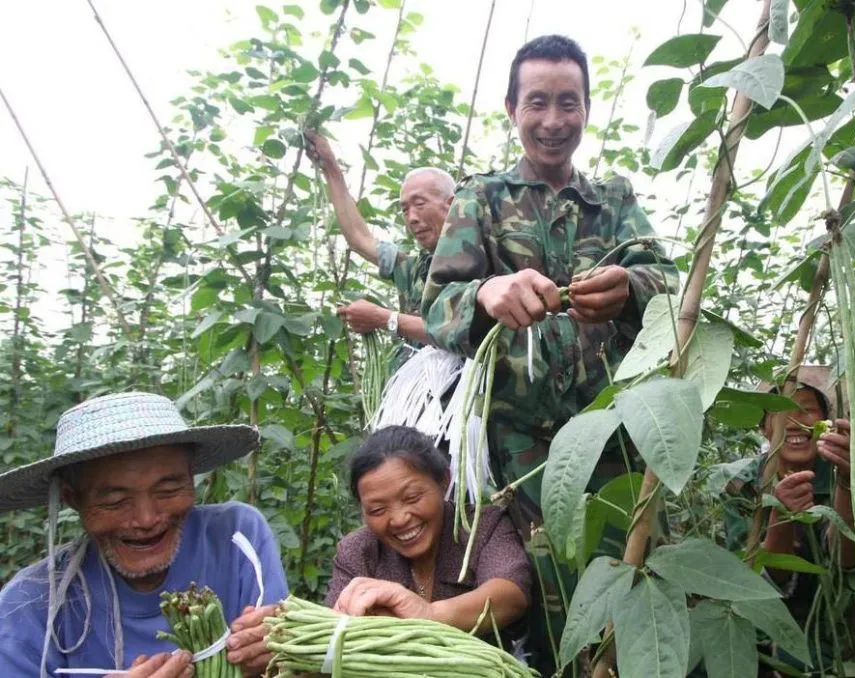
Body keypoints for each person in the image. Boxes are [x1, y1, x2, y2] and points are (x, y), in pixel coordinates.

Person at [419, 34, 678, 662]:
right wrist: (488, 291)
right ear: (512, 108)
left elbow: (671, 286)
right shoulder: (479, 199)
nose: (554, 121)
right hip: (518, 453)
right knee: (538, 601)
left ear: (587, 108)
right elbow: (435, 307)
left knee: (637, 590)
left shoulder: (612, 203)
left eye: (570, 103)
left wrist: (630, 286)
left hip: (615, 439)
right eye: (538, 103)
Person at [0, 392, 289, 678]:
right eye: (115, 500)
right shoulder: (29, 606)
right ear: (73, 499)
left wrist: (283, 654)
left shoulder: (235, 538)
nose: (146, 519)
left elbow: (282, 657)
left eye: (168, 490)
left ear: (191, 478)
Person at [325, 426, 531, 642]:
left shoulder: (482, 528)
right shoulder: (358, 551)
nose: (399, 519)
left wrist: (428, 614)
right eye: (377, 510)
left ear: (443, 481)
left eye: (412, 497)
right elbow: (330, 632)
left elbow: (511, 594)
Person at [722, 366, 855, 670]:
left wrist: (849, 483)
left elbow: (847, 564)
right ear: (764, 427)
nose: (795, 421)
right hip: (758, 617)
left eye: (806, 410)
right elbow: (752, 582)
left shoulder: (842, 470)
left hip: (829, 623)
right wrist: (780, 516)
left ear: (826, 423)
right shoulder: (741, 483)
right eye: (781, 412)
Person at [304, 130, 455, 346]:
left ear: (452, 204)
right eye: (404, 209)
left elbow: (462, 331)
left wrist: (384, 318)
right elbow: (359, 239)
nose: (412, 218)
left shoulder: (482, 264)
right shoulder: (413, 270)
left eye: (420, 204)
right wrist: (330, 168)